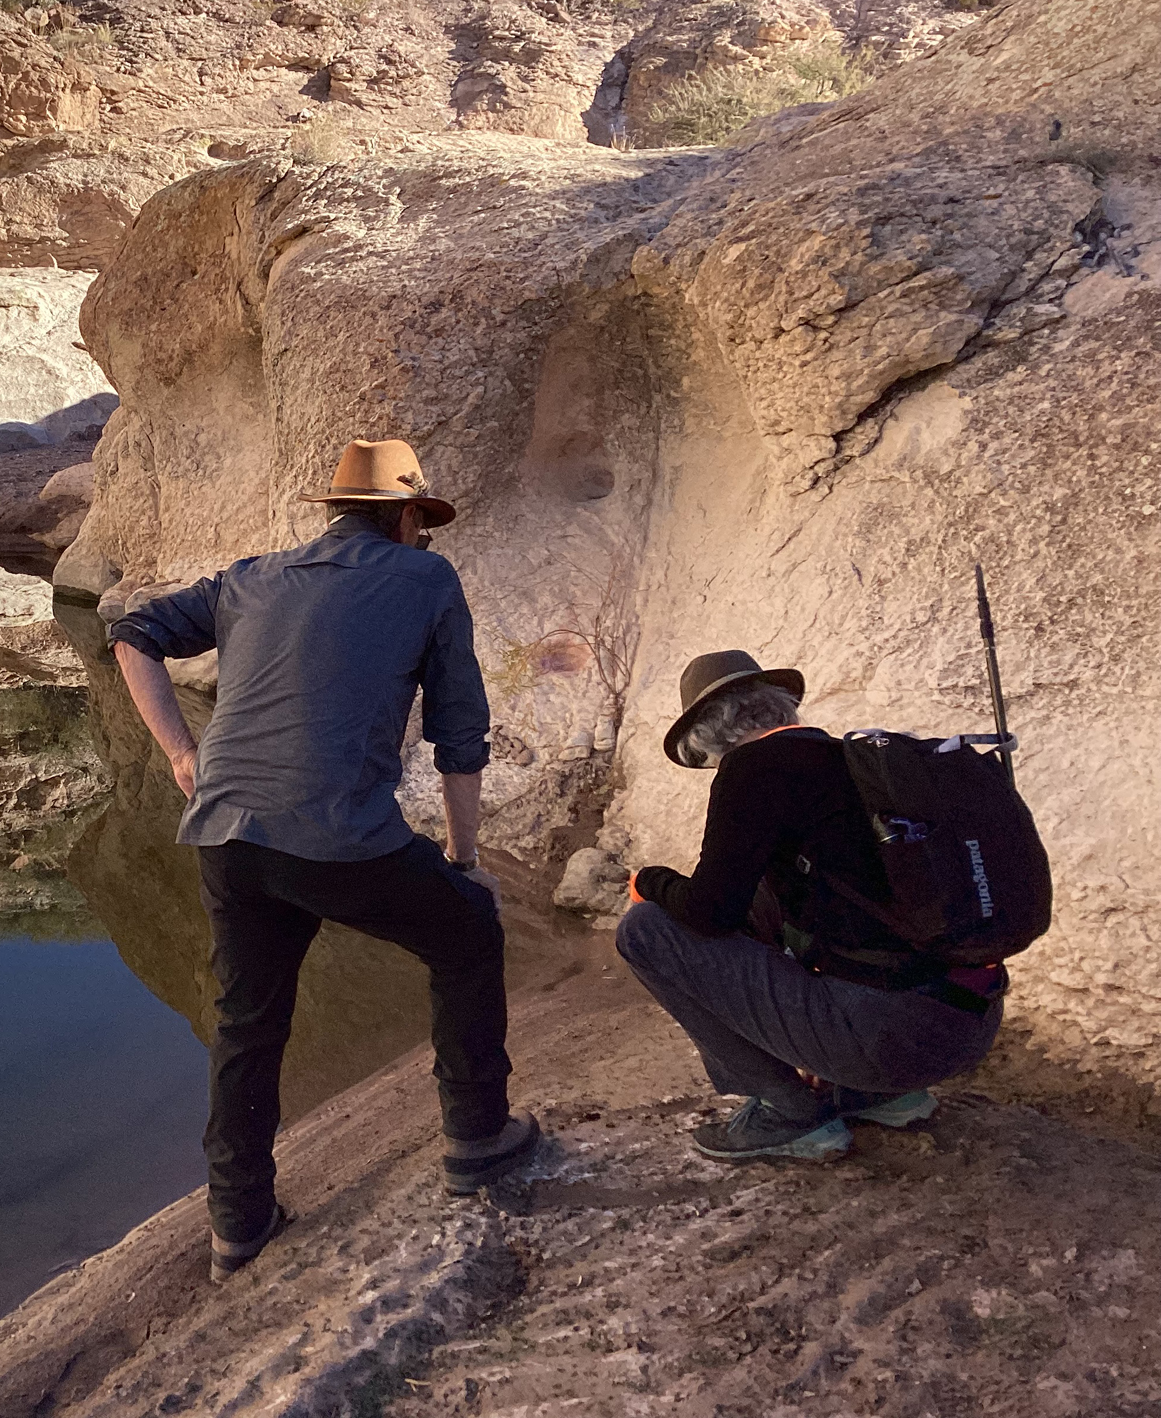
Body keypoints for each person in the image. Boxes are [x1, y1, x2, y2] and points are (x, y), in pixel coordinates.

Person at [107, 438, 539, 1282]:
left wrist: (180, 756)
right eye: (424, 523)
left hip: (227, 836)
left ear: (335, 512)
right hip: (337, 837)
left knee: (248, 1023)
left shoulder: (252, 576)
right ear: (411, 517)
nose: (426, 538)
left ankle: (238, 1224)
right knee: (466, 934)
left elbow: (130, 635)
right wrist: (463, 858)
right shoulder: (426, 580)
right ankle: (479, 1137)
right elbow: (460, 736)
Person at [618, 650, 1008, 1163]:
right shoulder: (853, 763)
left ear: (709, 732)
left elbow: (710, 913)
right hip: (967, 1026)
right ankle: (879, 1096)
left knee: (645, 929)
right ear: (779, 707)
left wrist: (650, 881)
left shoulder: (752, 769)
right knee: (765, 898)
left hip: (886, 1040)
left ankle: (788, 1112)